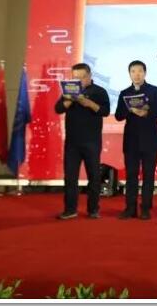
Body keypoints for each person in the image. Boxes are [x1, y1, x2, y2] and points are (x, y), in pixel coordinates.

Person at [54, 63, 110, 220]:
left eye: (81, 78)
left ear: (89, 76)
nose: (77, 81)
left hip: (92, 141)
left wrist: (89, 103)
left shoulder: (99, 91)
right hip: (72, 142)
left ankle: (93, 209)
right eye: (75, 78)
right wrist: (69, 101)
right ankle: (70, 209)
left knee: (94, 176)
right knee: (70, 177)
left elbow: (105, 111)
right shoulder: (69, 91)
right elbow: (58, 109)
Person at [114, 60, 157, 220]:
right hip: (131, 141)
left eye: (140, 71)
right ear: (129, 74)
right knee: (131, 175)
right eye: (133, 71)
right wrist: (130, 110)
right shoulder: (124, 93)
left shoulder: (154, 90)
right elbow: (118, 116)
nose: (136, 74)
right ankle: (130, 208)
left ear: (145, 73)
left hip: (150, 140)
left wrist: (147, 111)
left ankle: (145, 209)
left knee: (148, 176)